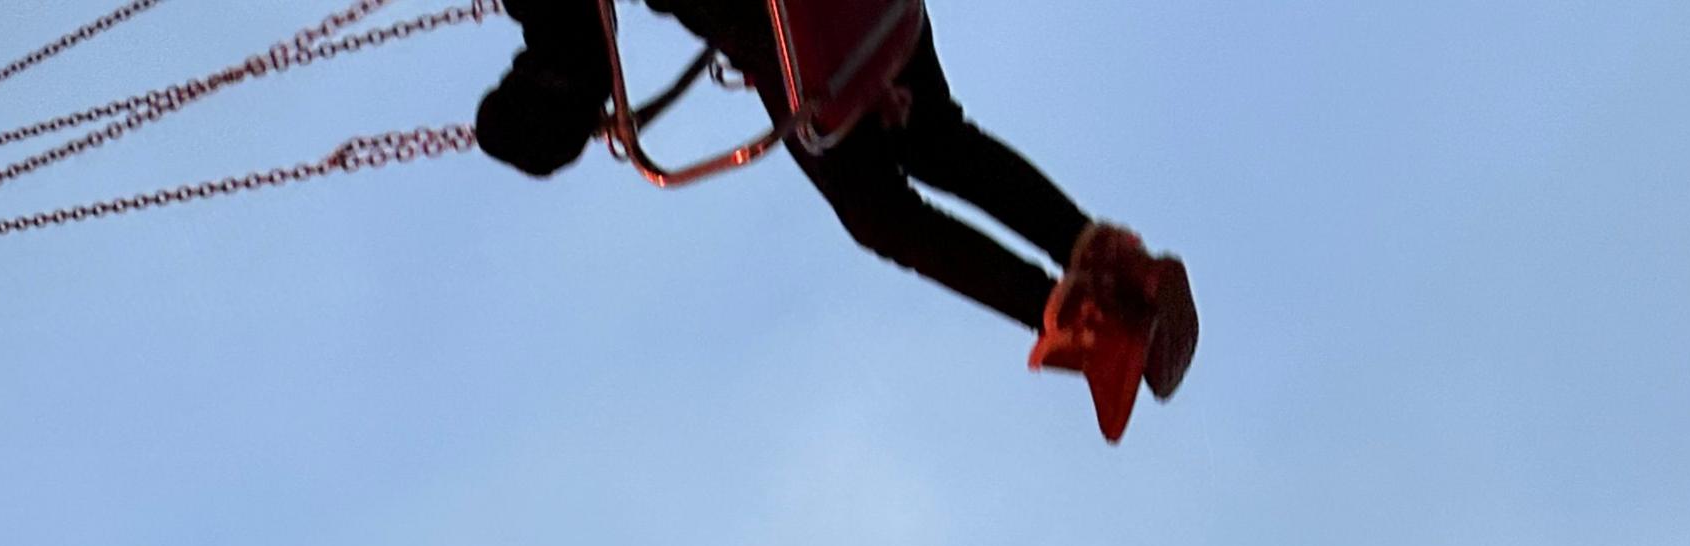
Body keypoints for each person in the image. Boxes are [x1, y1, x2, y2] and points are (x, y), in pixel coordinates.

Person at [474, 0, 1194, 435]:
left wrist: (516, 120)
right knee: (934, 135)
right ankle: (1117, 266)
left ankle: (1090, 326)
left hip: (788, 32)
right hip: (857, 16)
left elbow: (572, 69)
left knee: (880, 211)